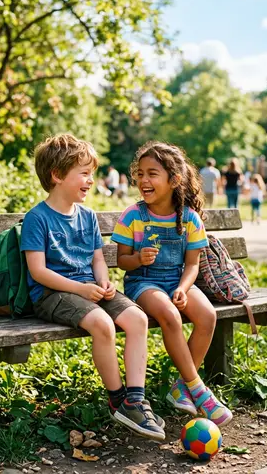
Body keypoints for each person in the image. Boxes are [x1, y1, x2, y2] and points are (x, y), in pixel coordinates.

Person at [21, 134, 165, 440]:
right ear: (57, 175)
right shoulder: (37, 219)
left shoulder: (87, 216)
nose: (91, 180)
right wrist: (80, 289)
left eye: (92, 173)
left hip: (89, 288)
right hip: (52, 294)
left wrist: (103, 281)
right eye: (84, 173)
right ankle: (117, 401)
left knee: (137, 318)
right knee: (103, 324)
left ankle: (135, 399)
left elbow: (98, 258)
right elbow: (38, 271)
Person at [112, 141, 233, 428]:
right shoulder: (133, 215)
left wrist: (182, 287)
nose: (143, 180)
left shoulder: (189, 218)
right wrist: (138, 258)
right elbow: (122, 262)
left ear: (174, 180)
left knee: (207, 315)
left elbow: (192, 265)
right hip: (144, 283)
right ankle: (198, 388)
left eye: (152, 174)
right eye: (139, 174)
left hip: (178, 281)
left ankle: (181, 387)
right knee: (169, 314)